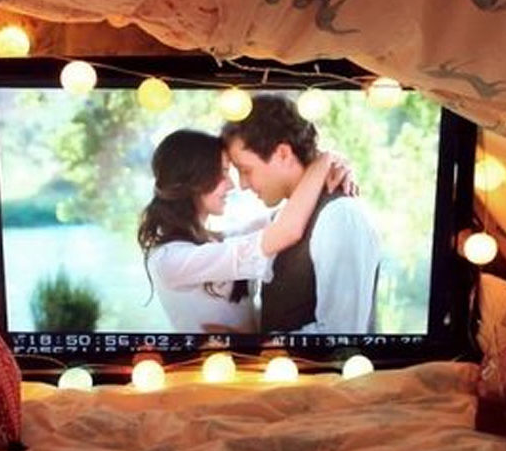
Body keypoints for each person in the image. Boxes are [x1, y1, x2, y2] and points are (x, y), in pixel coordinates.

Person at [137, 129, 350, 333]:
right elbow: (287, 230)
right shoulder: (170, 260)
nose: (232, 185)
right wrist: (323, 162)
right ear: (193, 179)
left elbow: (289, 214)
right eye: (222, 173)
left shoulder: (220, 240)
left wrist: (334, 166)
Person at [222, 94, 381, 333]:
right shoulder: (283, 218)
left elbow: (341, 331)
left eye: (246, 170)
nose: (243, 185)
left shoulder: (339, 216)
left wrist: (256, 346)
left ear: (283, 154)